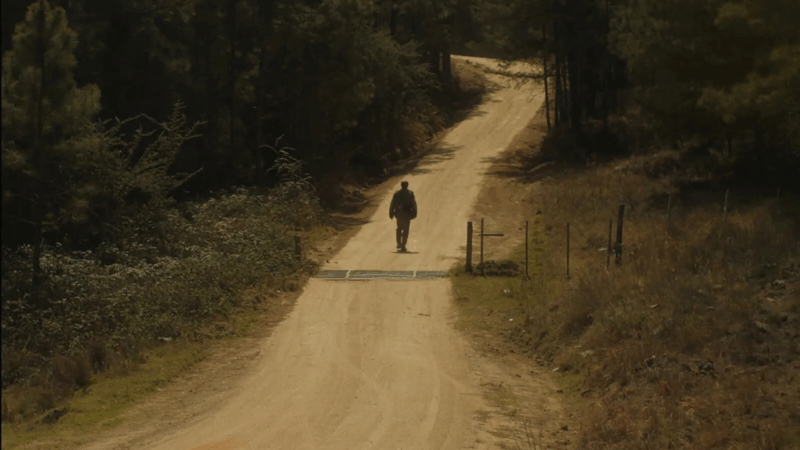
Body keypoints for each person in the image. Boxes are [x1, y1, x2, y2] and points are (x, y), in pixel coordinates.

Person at [389, 180, 417, 252]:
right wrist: (415, 212)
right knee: (406, 230)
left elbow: (392, 203)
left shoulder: (397, 193)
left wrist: (391, 212)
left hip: (398, 214)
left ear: (401, 185)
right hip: (407, 214)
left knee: (399, 228)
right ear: (407, 185)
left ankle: (399, 243)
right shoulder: (410, 194)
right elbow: (414, 204)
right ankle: (403, 245)